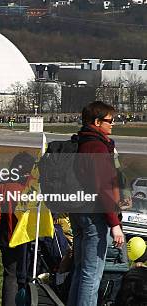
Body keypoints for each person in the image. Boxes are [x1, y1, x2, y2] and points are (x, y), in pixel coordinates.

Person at [68, 101, 125, 306]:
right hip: (94, 215)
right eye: (110, 121)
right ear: (97, 121)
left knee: (81, 270)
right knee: (92, 274)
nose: (113, 124)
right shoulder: (97, 147)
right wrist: (115, 224)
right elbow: (103, 188)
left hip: (77, 212)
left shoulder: (81, 141)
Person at [0, 152, 36, 306]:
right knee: (30, 275)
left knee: (10, 276)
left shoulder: (3, 186)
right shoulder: (34, 186)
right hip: (30, 238)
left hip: (8, 237)